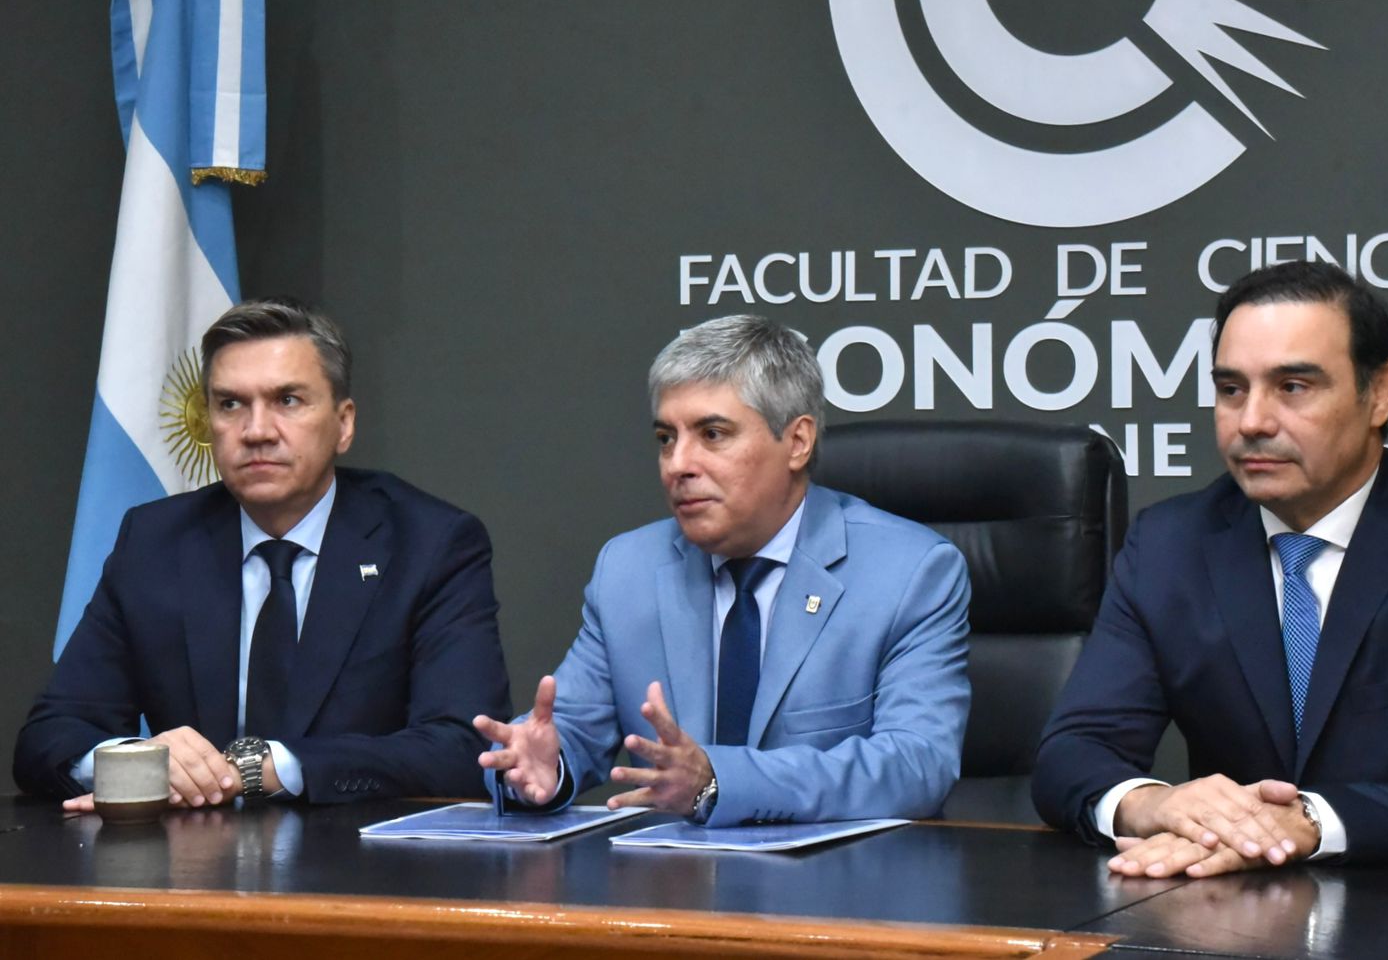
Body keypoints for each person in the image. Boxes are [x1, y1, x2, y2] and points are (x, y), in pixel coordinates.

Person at [1033, 261, 1388, 874]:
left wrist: (1307, 822)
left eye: (1293, 387)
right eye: (1232, 388)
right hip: (1221, 917)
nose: (1253, 421)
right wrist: (1155, 804)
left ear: (1381, 393)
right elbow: (1071, 755)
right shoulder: (1169, 544)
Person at [15, 298, 512, 807]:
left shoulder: (430, 543)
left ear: (344, 423)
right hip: (187, 871)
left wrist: (261, 769)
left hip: (361, 864)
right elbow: (48, 737)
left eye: (288, 401)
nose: (256, 431)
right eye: (231, 404)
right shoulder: (155, 542)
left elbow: (463, 746)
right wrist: (139, 763)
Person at [475, 314, 970, 825]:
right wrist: (541, 765)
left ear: (798, 442)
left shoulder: (910, 571)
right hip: (667, 893)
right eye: (667, 438)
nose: (678, 464)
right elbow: (572, 728)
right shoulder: (628, 570)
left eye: (712, 434)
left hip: (840, 890)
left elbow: (917, 764)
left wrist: (719, 781)